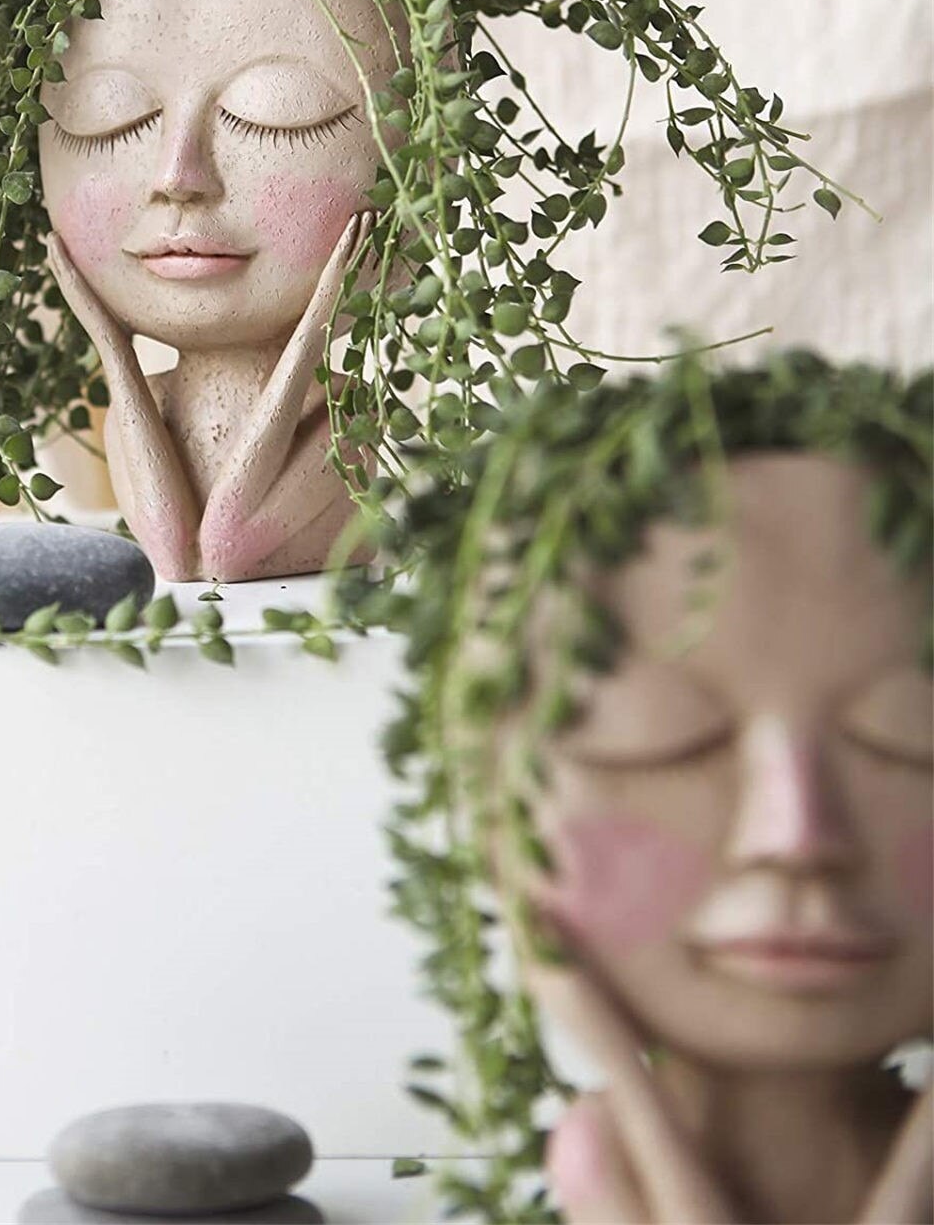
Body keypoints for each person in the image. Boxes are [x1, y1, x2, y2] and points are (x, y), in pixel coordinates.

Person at [389, 354, 933, 1223]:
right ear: (493, 798)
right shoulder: (600, 1157)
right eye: (662, 738)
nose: (794, 835)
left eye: (907, 737)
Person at [40, 0, 393, 580]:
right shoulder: (147, 405)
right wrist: (113, 349)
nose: (177, 176)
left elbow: (228, 545)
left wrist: (316, 327)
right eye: (109, 118)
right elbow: (174, 554)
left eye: (276, 114)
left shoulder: (348, 413)